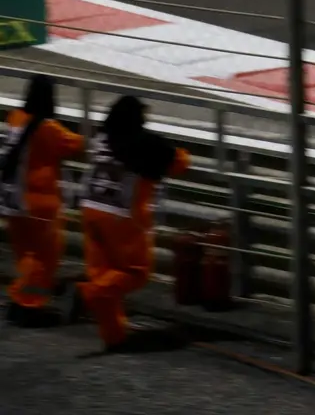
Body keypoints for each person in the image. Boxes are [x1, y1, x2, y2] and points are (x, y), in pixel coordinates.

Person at [68, 95, 190, 351]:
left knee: (104, 274)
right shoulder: (143, 142)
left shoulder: (102, 138)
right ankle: (89, 293)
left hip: (90, 207)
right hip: (121, 214)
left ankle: (114, 335)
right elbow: (178, 162)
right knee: (135, 273)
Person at [1, 74, 85, 326]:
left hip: (12, 198)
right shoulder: (49, 128)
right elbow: (75, 144)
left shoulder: (15, 118)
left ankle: (23, 299)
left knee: (26, 254)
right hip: (39, 201)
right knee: (45, 258)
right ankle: (27, 303)